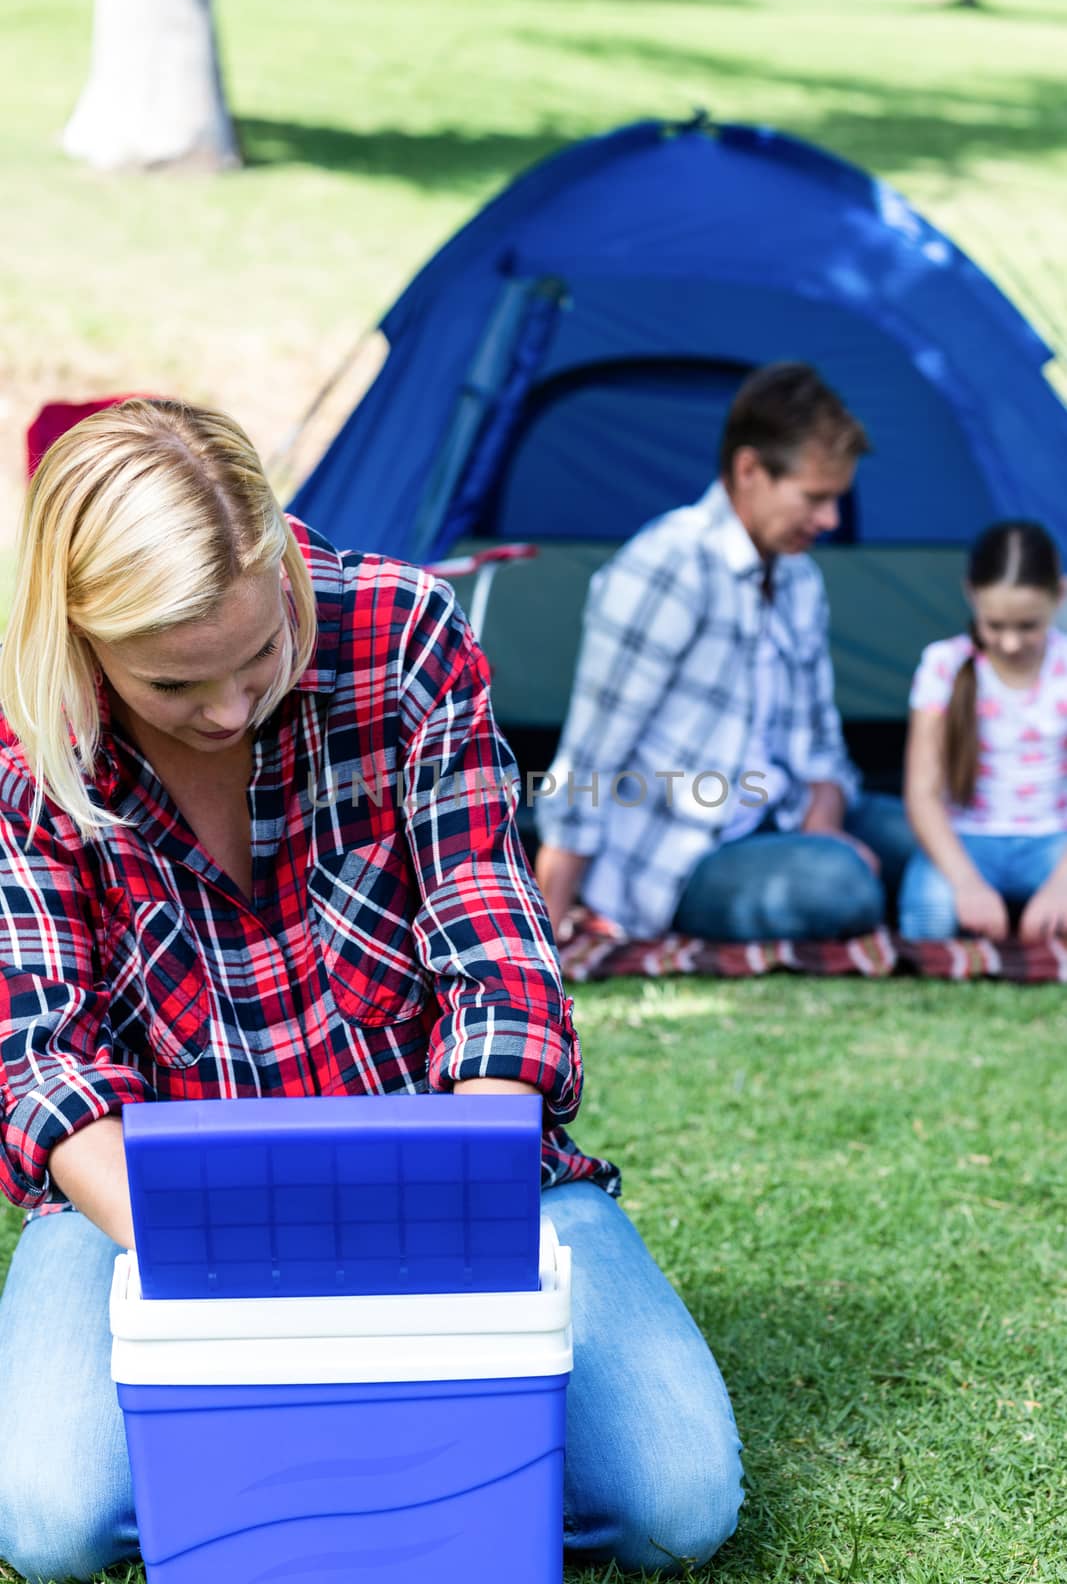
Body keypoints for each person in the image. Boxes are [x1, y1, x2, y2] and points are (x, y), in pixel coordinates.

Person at [0, 400, 742, 1581]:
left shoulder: (400, 632)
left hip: (445, 1161)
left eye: (258, 651)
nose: (234, 706)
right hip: (151, 1209)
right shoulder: (28, 743)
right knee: (53, 1526)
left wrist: (461, 1205)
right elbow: (42, 1061)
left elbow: (495, 944)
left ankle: (311, 1469)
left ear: (277, 560)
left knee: (674, 1502)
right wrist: (237, 1279)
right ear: (85, 640)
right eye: (176, 682)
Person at [535, 362, 915, 945]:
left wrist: (824, 822)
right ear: (749, 471)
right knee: (841, 887)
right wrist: (542, 925)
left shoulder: (800, 579)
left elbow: (823, 747)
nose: (830, 521)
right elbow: (589, 755)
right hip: (683, 853)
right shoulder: (669, 566)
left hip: (781, 814)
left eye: (836, 500)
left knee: (933, 842)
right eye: (815, 498)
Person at [899, 520, 1067, 941]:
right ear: (971, 595)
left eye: (1028, 625)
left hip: (1054, 843)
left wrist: (1059, 888)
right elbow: (922, 793)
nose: (1010, 643)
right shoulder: (943, 665)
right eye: (995, 625)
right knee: (929, 919)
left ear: (1060, 596)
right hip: (968, 840)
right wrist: (966, 884)